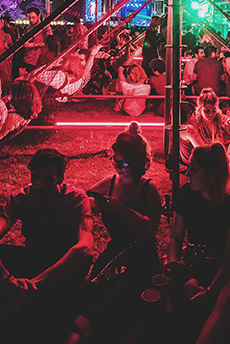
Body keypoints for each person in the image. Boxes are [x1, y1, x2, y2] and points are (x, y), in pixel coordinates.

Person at [0, 148, 94, 342]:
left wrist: (34, 284)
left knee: (40, 318)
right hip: (35, 257)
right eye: (35, 177)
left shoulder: (75, 199)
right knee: (0, 253)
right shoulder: (22, 198)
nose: (39, 185)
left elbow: (86, 249)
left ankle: (37, 307)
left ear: (60, 178)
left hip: (63, 266)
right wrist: (7, 281)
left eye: (47, 179)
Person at [67, 123, 162, 343]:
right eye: (115, 161)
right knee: (93, 287)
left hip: (141, 254)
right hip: (116, 249)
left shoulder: (148, 189)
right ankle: (80, 327)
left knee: (118, 291)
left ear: (137, 162)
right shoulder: (110, 184)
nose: (118, 167)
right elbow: (80, 197)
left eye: (124, 163)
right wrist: (90, 203)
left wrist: (121, 209)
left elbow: (152, 227)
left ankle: (84, 331)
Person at [165, 143, 230, 344]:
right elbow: (176, 238)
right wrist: (174, 264)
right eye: (189, 167)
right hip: (197, 263)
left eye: (194, 169)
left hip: (226, 269)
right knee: (190, 289)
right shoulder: (186, 193)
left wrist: (211, 292)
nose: (187, 174)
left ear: (211, 176)